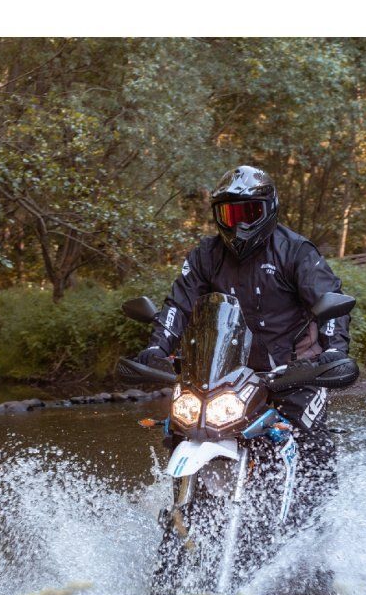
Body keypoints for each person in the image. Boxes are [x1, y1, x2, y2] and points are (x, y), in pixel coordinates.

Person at [135, 164, 353, 518]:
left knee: (306, 434)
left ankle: (316, 521)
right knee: (183, 427)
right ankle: (183, 515)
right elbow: (179, 304)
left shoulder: (296, 251)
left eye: (248, 212)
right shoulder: (206, 255)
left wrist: (333, 351)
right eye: (230, 214)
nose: (239, 223)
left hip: (295, 373)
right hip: (228, 375)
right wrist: (157, 347)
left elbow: (330, 302)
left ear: (268, 209)